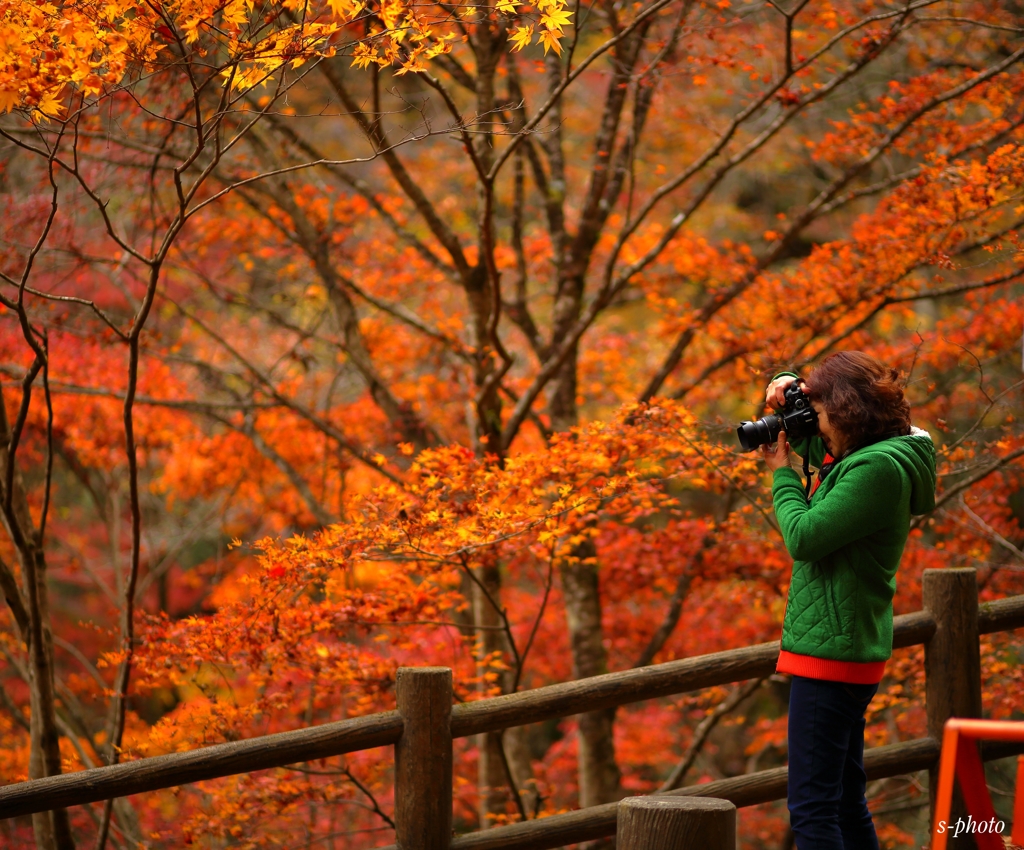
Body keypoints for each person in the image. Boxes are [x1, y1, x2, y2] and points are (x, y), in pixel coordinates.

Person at [760, 352, 936, 850]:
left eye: (818, 412)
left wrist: (781, 473)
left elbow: (804, 536)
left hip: (831, 655)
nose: (812, 424)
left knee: (812, 809)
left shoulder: (876, 470)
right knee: (842, 800)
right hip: (841, 646)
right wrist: (785, 383)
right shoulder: (871, 451)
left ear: (845, 412)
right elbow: (803, 423)